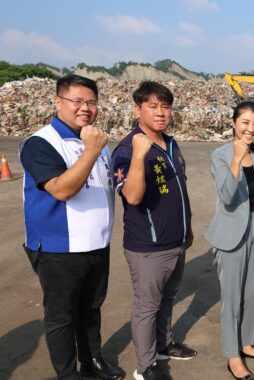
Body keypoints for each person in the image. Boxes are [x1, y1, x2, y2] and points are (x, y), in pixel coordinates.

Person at [19, 74, 123, 380]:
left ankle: (91, 363)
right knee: (62, 317)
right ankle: (67, 375)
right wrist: (91, 150)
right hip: (58, 248)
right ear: (58, 102)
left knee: (91, 309)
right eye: (77, 101)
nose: (85, 108)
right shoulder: (40, 143)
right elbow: (62, 190)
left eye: (91, 102)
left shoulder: (95, 140)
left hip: (97, 244)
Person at [111, 81, 196, 380]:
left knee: (168, 298)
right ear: (137, 109)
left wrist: (187, 228)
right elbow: (132, 196)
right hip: (148, 247)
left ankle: (164, 345)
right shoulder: (125, 149)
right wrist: (137, 155)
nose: (161, 112)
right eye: (152, 106)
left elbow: (179, 190)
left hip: (176, 241)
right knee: (147, 306)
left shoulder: (171, 143)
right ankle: (145, 366)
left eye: (165, 106)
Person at [206, 101, 254, 380]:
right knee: (232, 298)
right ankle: (233, 355)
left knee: (253, 292)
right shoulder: (220, 155)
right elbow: (227, 195)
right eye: (245, 122)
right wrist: (236, 158)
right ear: (233, 123)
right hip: (231, 233)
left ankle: (246, 342)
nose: (251, 129)